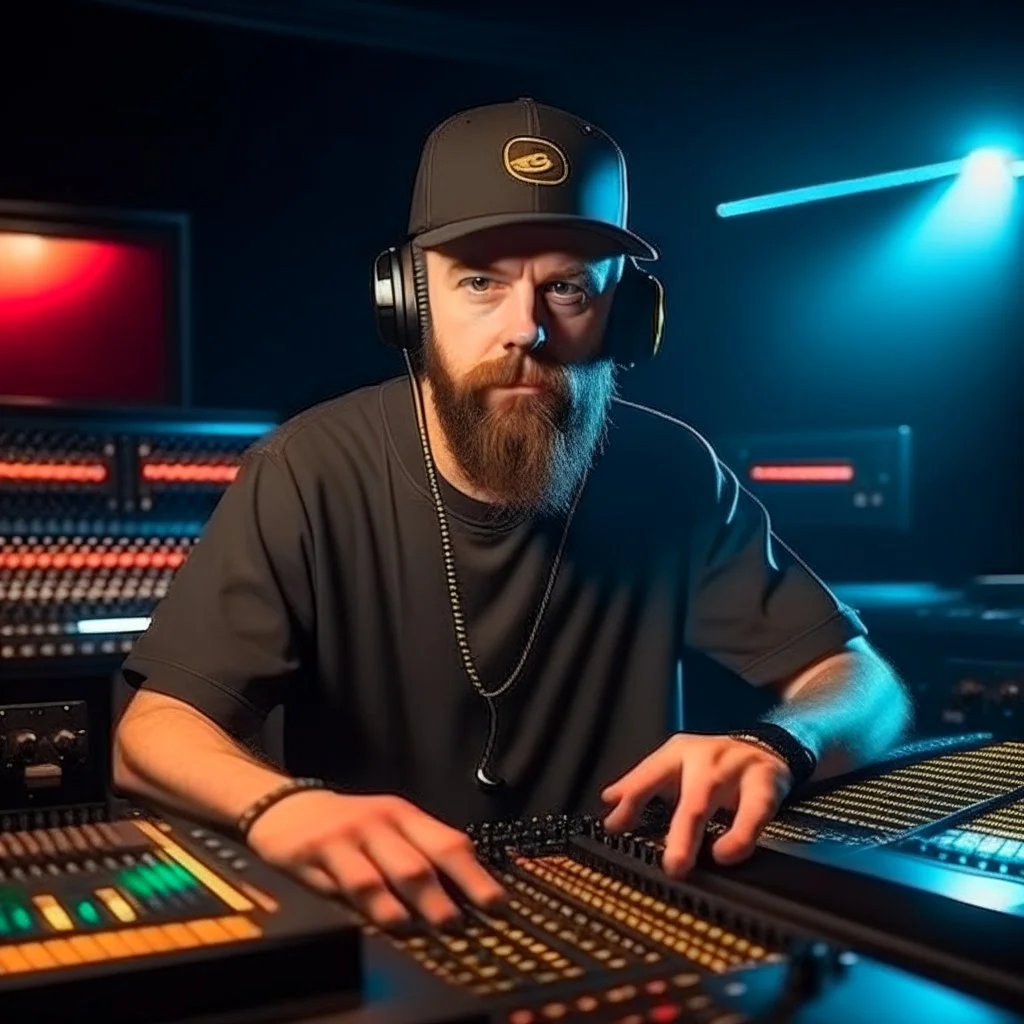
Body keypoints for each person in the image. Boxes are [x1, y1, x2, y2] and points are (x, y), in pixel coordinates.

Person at [113, 98, 911, 931]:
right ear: (409, 300)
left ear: (627, 315)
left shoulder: (673, 472)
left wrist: (778, 746)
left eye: (565, 286)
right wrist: (279, 806)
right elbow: (153, 731)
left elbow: (866, 686)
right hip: (391, 918)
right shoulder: (304, 468)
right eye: (480, 283)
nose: (524, 328)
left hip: (625, 909)